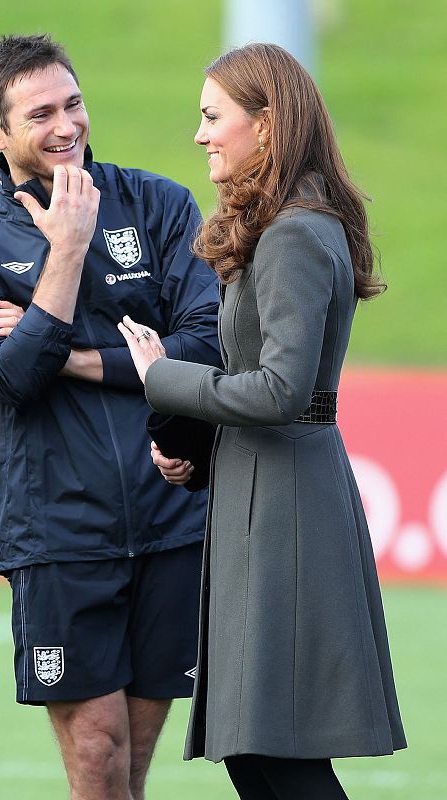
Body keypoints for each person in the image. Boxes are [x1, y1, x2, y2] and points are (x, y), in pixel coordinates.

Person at [0, 33, 221, 800]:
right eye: (42, 114)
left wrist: (65, 351)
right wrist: (67, 250)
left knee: (132, 761)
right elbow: (8, 378)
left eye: (74, 103)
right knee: (97, 754)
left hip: (171, 514)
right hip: (57, 531)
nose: (67, 127)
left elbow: (200, 347)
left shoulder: (159, 204)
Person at [118, 42, 407, 800]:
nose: (200, 134)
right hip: (263, 492)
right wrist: (202, 457)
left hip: (288, 508)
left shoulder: (295, 233)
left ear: (268, 126)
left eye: (214, 117)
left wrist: (163, 378)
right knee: (261, 752)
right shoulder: (288, 227)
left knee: (276, 752)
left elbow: (282, 389)